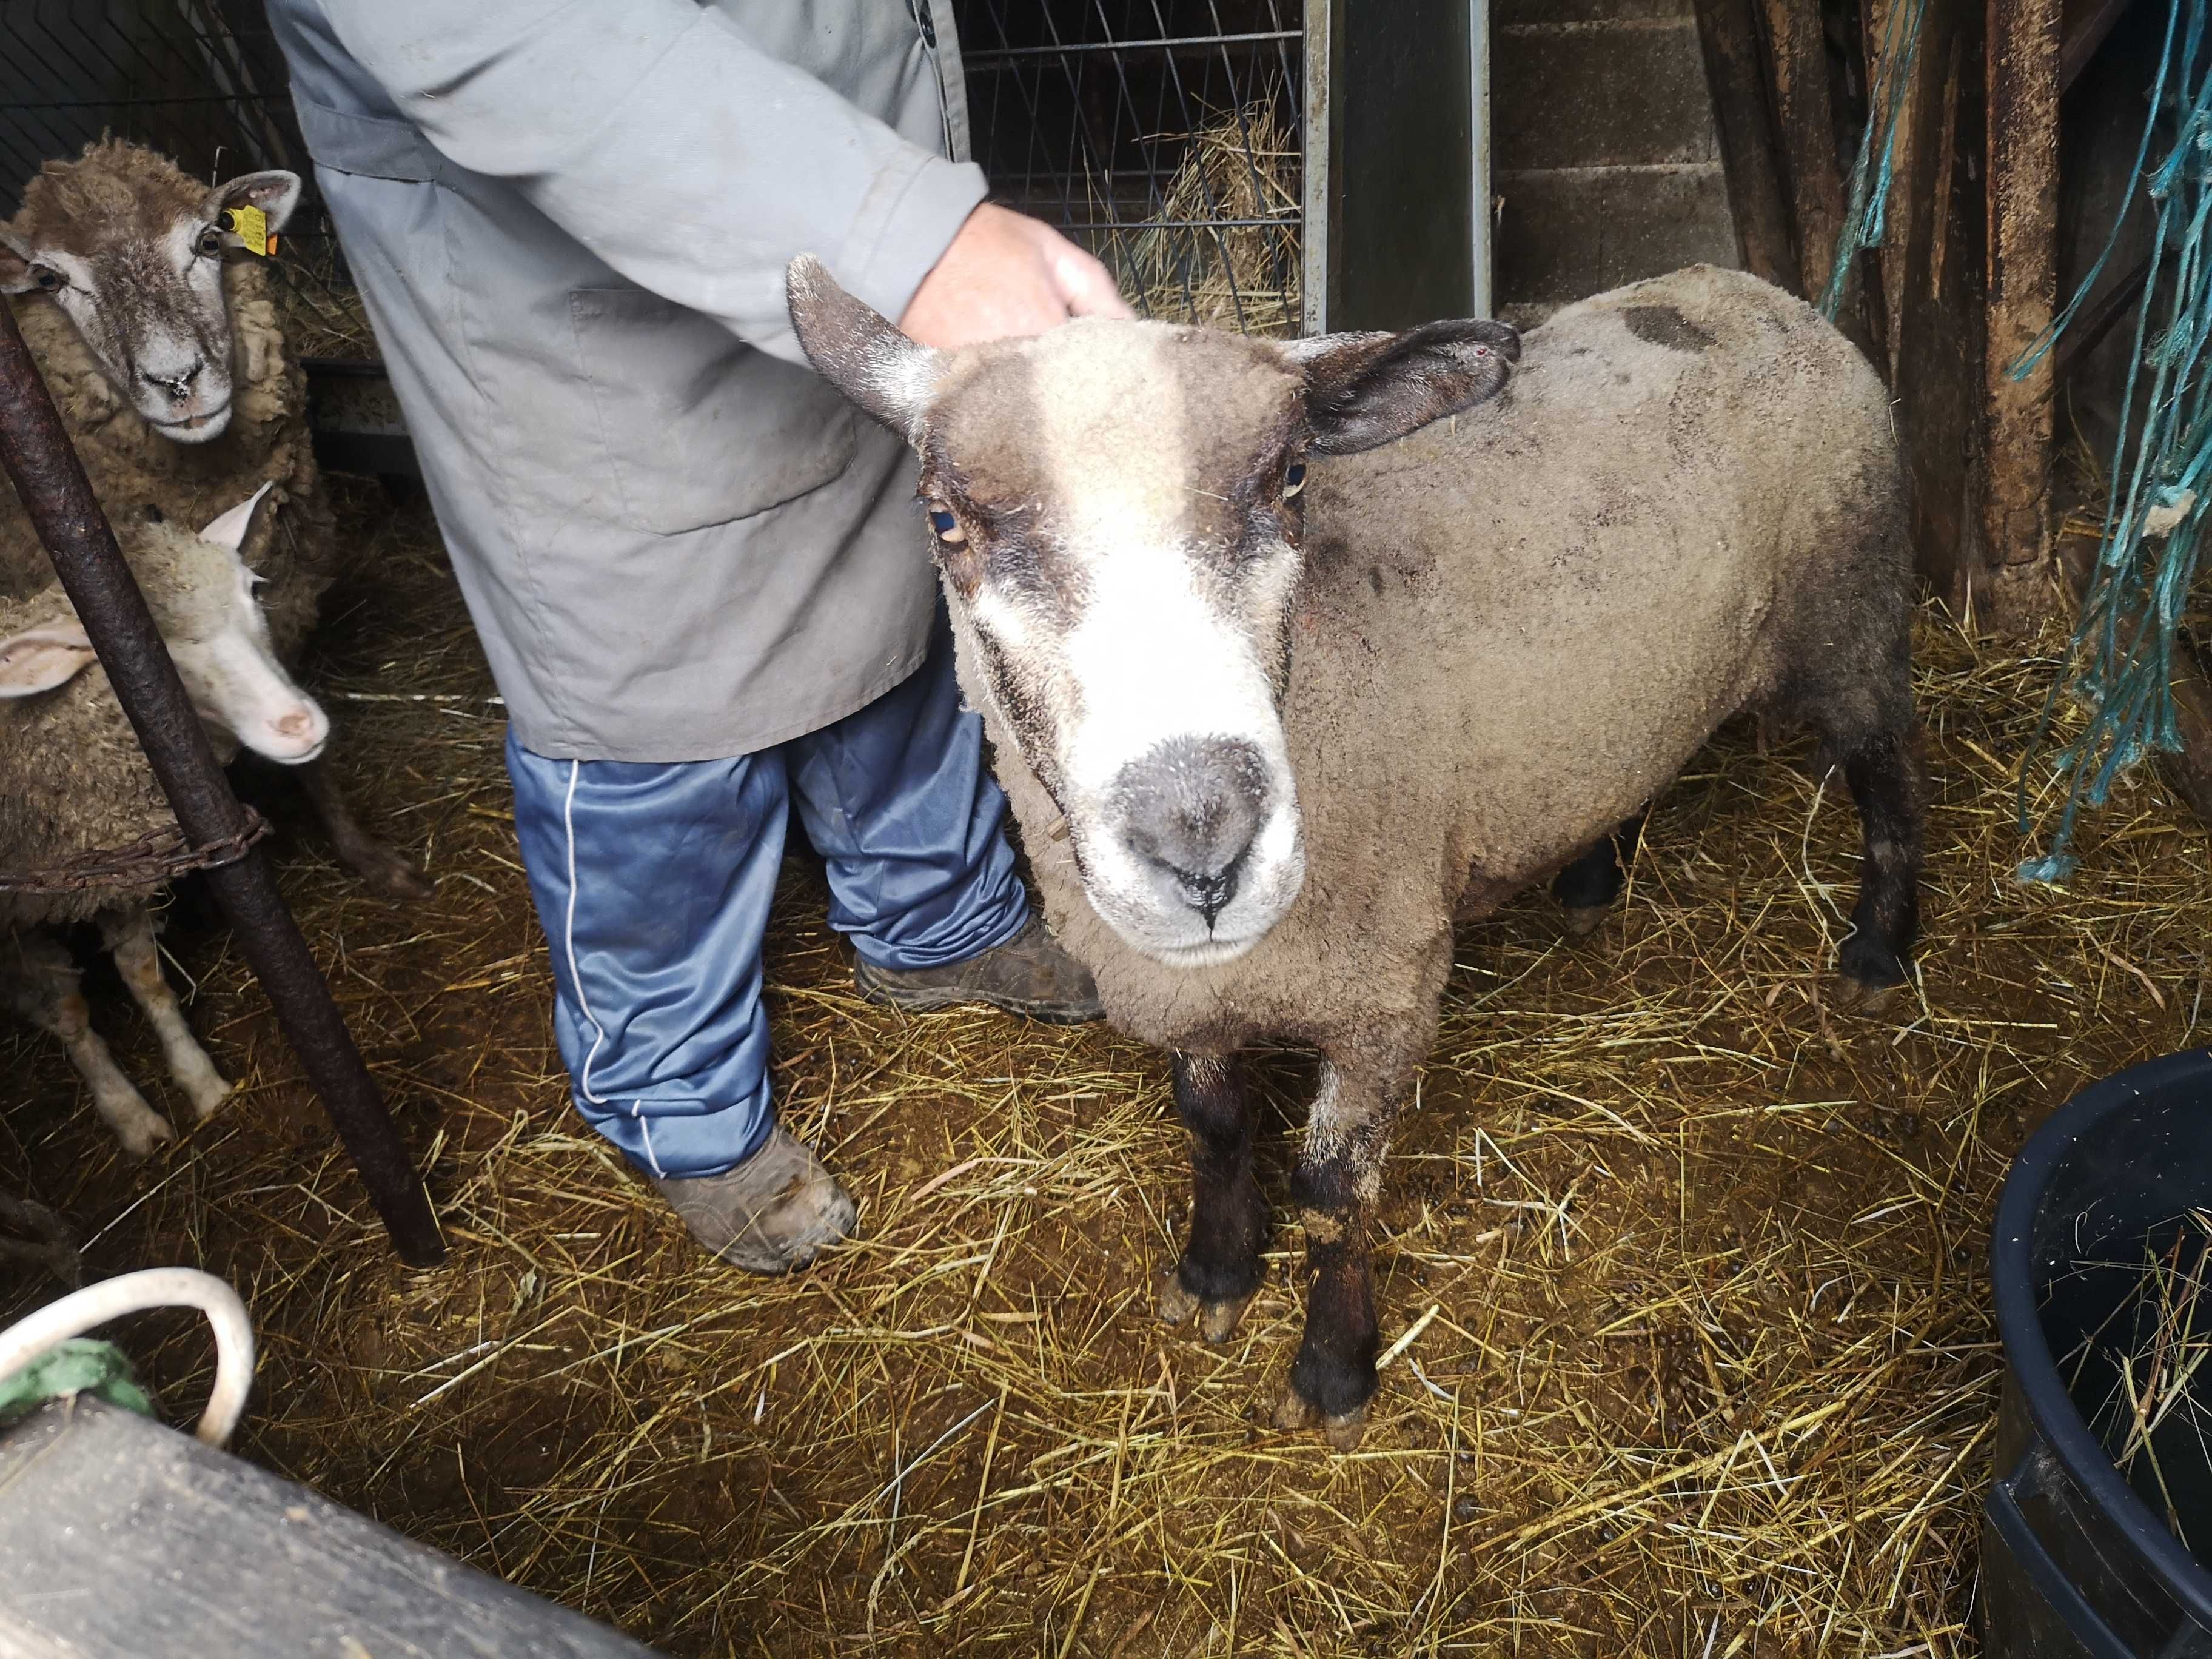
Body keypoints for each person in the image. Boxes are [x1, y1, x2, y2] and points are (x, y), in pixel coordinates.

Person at [263, 1, 1132, 1272]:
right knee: (654, 704)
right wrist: (905, 236)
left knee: (886, 604)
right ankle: (684, 1106)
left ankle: (936, 921)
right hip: (577, 291)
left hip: (825, 216)